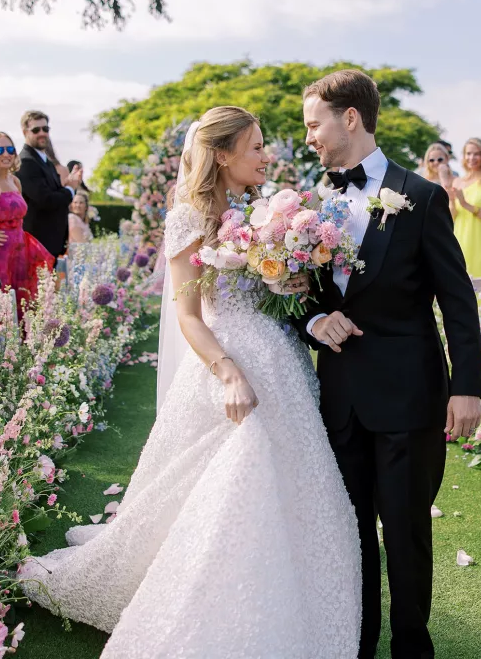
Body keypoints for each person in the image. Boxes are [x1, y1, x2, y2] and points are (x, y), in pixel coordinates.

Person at [21, 106, 362, 657]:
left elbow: (271, 291)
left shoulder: (264, 209)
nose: (265, 156)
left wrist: (291, 280)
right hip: (225, 360)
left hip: (282, 362)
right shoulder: (187, 218)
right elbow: (188, 316)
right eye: (254, 147)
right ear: (222, 154)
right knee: (236, 477)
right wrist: (227, 373)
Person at [298, 69, 481, 659]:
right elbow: (302, 291)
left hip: (409, 396)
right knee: (350, 537)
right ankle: (356, 645)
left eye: (313, 125)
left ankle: (411, 647)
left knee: (404, 535)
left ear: (349, 118)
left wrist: (467, 388)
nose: (309, 139)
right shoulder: (313, 202)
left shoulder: (422, 197)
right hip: (341, 397)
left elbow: (457, 299)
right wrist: (314, 319)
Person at [0, 131, 54, 315]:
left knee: (23, 305)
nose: (6, 154)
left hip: (19, 254)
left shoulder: (15, 181)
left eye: (10, 149)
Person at [16, 111, 82, 259]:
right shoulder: (26, 162)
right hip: (37, 245)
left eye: (45, 129)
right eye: (36, 130)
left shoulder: (45, 161)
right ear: (24, 132)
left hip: (51, 245)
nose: (42, 133)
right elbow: (46, 200)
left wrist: (68, 185)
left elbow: (55, 194)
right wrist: (70, 189)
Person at [448, 138, 481, 278]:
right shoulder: (457, 181)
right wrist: (452, 201)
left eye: (476, 154)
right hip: (460, 240)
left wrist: (465, 204)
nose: (471, 158)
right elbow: (452, 216)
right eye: (468, 153)